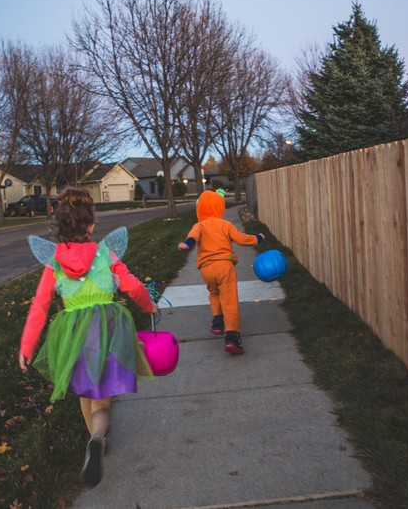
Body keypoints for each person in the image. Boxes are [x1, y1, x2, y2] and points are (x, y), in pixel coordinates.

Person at [18, 187, 158, 488]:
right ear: (91, 225)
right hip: (107, 331)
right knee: (102, 402)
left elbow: (40, 305)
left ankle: (93, 443)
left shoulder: (54, 264)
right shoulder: (106, 255)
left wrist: (27, 346)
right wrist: (149, 305)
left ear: (60, 229)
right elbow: (132, 286)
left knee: (85, 391)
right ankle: (98, 437)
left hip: (73, 336)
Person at [178, 190, 264, 354]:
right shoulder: (226, 225)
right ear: (220, 208)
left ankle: (218, 321)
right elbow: (241, 239)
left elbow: (193, 237)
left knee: (214, 292)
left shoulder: (200, 225)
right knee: (229, 300)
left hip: (206, 269)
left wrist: (187, 244)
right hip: (224, 266)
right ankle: (232, 338)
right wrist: (258, 238)